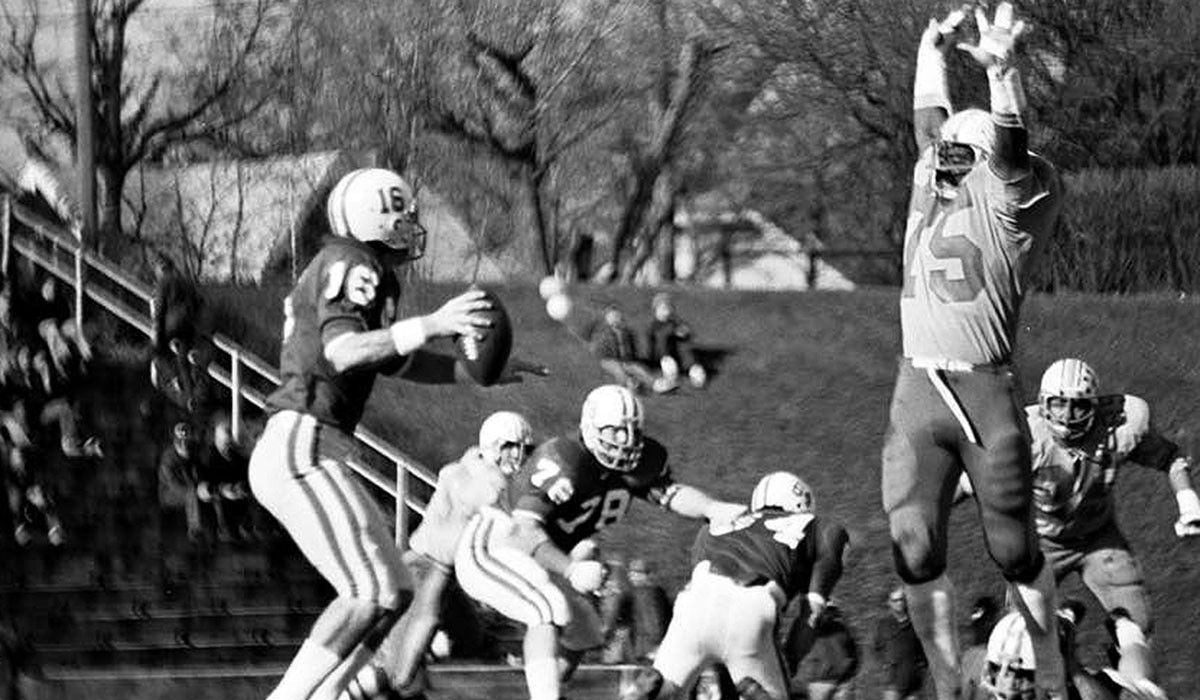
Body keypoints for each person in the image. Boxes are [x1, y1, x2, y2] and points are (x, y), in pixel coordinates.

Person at [248, 167, 501, 700]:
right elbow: (343, 351)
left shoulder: (366, 270)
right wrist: (434, 323)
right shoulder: (353, 260)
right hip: (303, 441)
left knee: (394, 592)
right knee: (370, 591)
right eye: (400, 211)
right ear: (370, 216)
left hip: (316, 444)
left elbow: (392, 362)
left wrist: (472, 370)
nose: (411, 221)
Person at [880, 4, 1067, 697]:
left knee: (1014, 551)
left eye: (961, 153)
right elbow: (934, 129)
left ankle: (1052, 676)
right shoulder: (947, 167)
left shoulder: (1010, 197)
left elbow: (1012, 148)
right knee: (914, 547)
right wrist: (931, 51)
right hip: (916, 388)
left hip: (984, 391)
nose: (943, 158)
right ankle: (948, 683)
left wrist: (1004, 74)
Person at [959, 358, 1194, 697]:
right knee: (1021, 642)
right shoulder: (1028, 439)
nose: (1068, 415)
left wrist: (1188, 501)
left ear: (1094, 405)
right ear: (1044, 404)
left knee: (1138, 626)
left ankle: (1106, 643)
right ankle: (1087, 644)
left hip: (1098, 538)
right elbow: (971, 482)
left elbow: (1168, 457)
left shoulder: (1117, 429)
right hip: (1042, 543)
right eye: (1058, 403)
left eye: (1077, 405)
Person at [505, 384, 747, 699]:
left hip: (555, 550)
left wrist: (711, 508)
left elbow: (670, 494)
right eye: (615, 432)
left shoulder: (636, 464)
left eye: (632, 432)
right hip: (513, 545)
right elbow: (522, 530)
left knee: (585, 634)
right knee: (549, 612)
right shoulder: (564, 459)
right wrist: (570, 569)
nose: (625, 441)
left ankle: (543, 691)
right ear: (590, 428)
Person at [344, 411, 566, 700]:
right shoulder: (477, 478)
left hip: (447, 579)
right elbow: (494, 509)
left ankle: (425, 652)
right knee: (398, 673)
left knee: (467, 641)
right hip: (423, 573)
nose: (520, 456)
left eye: (523, 448)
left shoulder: (476, 469)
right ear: (495, 447)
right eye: (513, 447)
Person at [623, 470, 849, 700]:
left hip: (695, 602)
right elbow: (812, 613)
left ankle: (650, 692)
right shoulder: (823, 529)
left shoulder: (722, 521)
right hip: (751, 605)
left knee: (667, 688)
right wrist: (789, 661)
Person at [590, 306, 666, 395]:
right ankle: (625, 389)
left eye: (617, 316)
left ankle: (655, 385)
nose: (615, 319)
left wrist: (634, 357)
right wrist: (605, 355)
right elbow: (599, 349)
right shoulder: (603, 333)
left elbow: (633, 346)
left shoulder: (627, 332)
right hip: (609, 360)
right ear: (607, 319)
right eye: (611, 317)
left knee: (640, 370)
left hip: (626, 360)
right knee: (619, 372)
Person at [791, 602, 858, 700]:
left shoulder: (810, 630)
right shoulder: (845, 630)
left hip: (819, 681)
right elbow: (855, 656)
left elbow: (795, 653)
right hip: (838, 681)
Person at [644, 293, 706, 392]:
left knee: (684, 346)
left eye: (668, 308)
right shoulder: (653, 326)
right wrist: (650, 363)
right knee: (665, 349)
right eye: (662, 309)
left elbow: (688, 332)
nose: (665, 312)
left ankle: (694, 370)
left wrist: (684, 332)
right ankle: (671, 378)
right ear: (655, 311)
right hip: (664, 356)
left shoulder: (676, 322)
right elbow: (652, 346)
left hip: (678, 353)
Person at [873, 588, 927, 700]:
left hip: (913, 681)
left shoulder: (916, 623)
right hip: (892, 682)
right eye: (895, 600)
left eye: (901, 600)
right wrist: (884, 665)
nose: (899, 603)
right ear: (889, 603)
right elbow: (876, 649)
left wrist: (922, 667)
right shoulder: (883, 624)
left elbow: (925, 648)